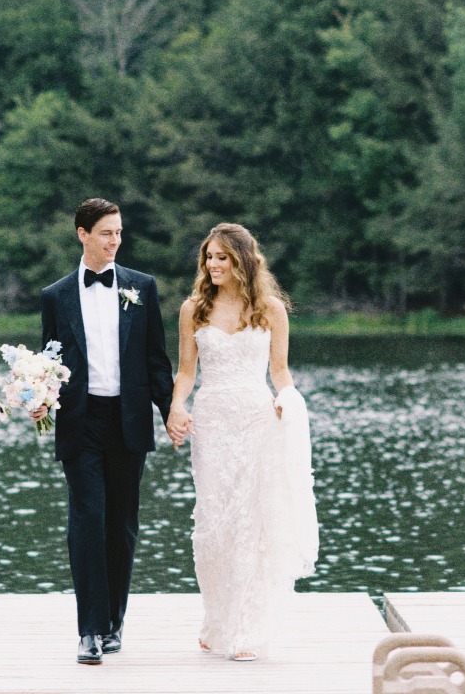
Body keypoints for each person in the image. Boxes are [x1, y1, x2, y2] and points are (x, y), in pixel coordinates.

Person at [166, 222, 319, 661]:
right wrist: (178, 407)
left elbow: (280, 371)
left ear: (243, 261)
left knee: (252, 522)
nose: (213, 265)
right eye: (209, 257)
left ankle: (248, 629)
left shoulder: (270, 308)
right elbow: (187, 372)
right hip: (212, 422)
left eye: (222, 258)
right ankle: (218, 620)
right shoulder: (193, 308)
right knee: (215, 523)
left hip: (257, 419)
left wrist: (286, 402)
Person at [40, 197, 175, 667]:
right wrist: (39, 398)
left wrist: (171, 411)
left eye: (119, 233)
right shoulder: (54, 296)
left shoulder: (143, 287)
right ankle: (90, 631)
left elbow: (157, 361)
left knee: (121, 525)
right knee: (87, 520)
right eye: (106, 233)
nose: (115, 241)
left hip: (128, 420)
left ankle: (114, 621)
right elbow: (50, 364)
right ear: (82, 234)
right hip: (81, 423)